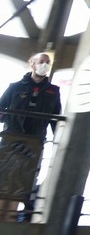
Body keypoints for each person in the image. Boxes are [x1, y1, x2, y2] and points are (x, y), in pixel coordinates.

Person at [0, 52, 62, 220]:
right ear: (32, 64)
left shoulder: (53, 91)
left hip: (34, 140)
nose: (44, 65)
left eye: (47, 62)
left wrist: (59, 140)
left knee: (23, 179)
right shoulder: (15, 87)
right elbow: (1, 106)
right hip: (11, 137)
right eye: (41, 62)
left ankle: (11, 218)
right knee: (4, 178)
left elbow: (56, 119)